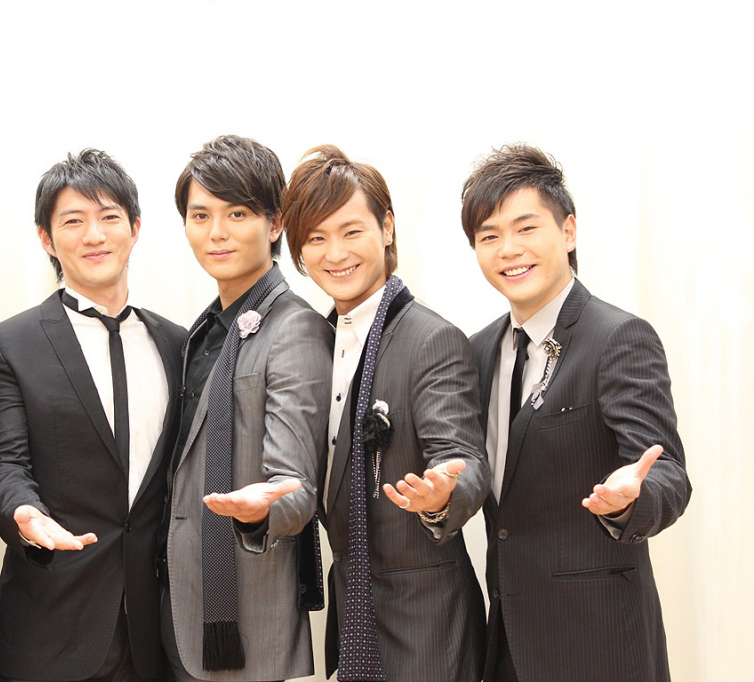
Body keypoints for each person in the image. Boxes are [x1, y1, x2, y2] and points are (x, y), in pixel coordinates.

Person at [461, 144, 692, 682]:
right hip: (507, 643)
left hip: (600, 643)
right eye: (489, 236)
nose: (509, 249)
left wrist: (630, 500)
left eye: (526, 228)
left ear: (568, 231)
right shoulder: (476, 352)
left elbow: (667, 473)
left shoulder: (618, 337)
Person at [280, 144, 488, 681]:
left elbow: (462, 457)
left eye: (351, 231)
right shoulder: (314, 343)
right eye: (316, 238)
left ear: (387, 227)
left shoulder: (431, 340)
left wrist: (444, 493)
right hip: (353, 613)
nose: (335, 253)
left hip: (428, 626)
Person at [0, 149, 185, 682]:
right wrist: (23, 513)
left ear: (135, 229)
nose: (94, 235)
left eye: (109, 217)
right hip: (53, 627)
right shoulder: (9, 345)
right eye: (73, 221)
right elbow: (2, 462)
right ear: (46, 239)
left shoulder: (178, 343)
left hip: (156, 634)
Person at [162, 134, 332, 682]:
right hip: (175, 599)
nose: (216, 232)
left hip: (240, 609)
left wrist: (260, 510)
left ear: (275, 222)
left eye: (236, 213)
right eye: (200, 215)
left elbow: (296, 488)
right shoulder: (205, 329)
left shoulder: (294, 327)